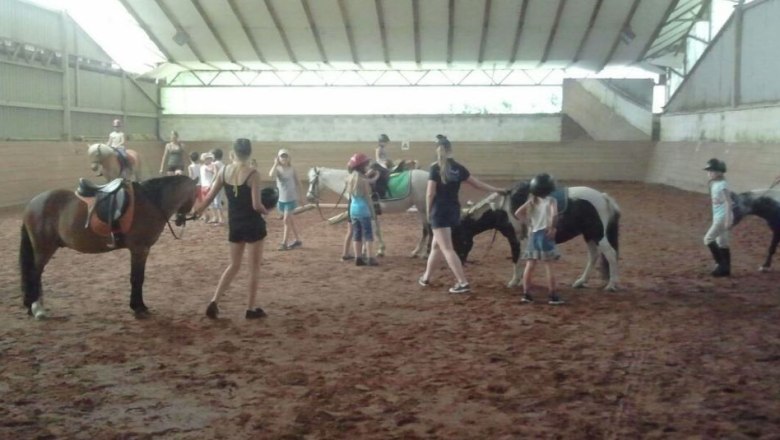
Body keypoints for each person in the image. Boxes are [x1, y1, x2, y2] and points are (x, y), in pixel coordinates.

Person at [194, 138, 272, 320]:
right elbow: (256, 205)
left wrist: (197, 212)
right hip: (253, 224)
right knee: (254, 268)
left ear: (234, 152)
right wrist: (266, 211)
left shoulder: (223, 171)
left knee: (234, 265)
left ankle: (214, 301)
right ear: (249, 153)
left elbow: (208, 198)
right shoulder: (253, 173)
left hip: (235, 223)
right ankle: (250, 309)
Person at [417, 135, 506, 294]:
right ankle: (426, 277)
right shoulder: (459, 168)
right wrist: (496, 189)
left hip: (440, 212)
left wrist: (429, 212)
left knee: (447, 249)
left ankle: (462, 282)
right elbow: (477, 184)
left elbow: (430, 193)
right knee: (436, 246)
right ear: (451, 149)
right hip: (453, 211)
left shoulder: (435, 168)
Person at [514, 173, 564, 305]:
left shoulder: (531, 201)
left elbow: (518, 213)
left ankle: (526, 294)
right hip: (544, 235)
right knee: (548, 266)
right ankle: (552, 295)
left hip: (533, 235)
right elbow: (554, 215)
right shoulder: (552, 200)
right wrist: (552, 228)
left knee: (530, 266)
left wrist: (529, 223)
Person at [347, 153, 379, 266]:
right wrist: (373, 213)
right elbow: (368, 199)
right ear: (361, 166)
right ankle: (371, 258)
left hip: (353, 210)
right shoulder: (364, 182)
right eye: (365, 165)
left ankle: (358, 258)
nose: (366, 166)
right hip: (364, 210)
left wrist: (373, 177)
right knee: (368, 235)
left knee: (357, 234)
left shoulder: (350, 178)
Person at [269, 149, 303, 250]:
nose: (284, 158)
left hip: (291, 198)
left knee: (286, 220)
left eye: (285, 156)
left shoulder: (292, 169)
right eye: (281, 156)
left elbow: (298, 182)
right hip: (281, 199)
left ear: (289, 158)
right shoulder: (277, 169)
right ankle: (298, 240)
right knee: (290, 221)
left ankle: (284, 243)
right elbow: (270, 175)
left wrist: (301, 196)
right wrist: (275, 164)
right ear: (278, 158)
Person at [704, 158, 733, 277]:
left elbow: (728, 202)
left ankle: (721, 265)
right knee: (722, 243)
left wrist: (727, 219)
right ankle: (726, 270)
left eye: (712, 171)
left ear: (720, 172)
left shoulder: (722, 185)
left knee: (708, 239)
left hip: (722, 217)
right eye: (709, 171)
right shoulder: (715, 184)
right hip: (719, 216)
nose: (709, 173)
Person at [199, 152, 217, 223]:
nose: (208, 160)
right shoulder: (202, 167)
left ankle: (214, 216)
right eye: (207, 159)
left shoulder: (209, 166)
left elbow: (214, 172)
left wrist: (210, 185)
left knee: (210, 202)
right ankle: (206, 216)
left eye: (209, 159)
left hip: (208, 185)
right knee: (205, 202)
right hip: (203, 185)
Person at [211, 148, 226, 225]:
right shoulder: (222, 164)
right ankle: (220, 218)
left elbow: (215, 174)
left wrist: (211, 182)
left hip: (216, 184)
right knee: (218, 201)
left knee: (217, 202)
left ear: (214, 156)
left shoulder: (215, 164)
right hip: (222, 184)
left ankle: (221, 219)